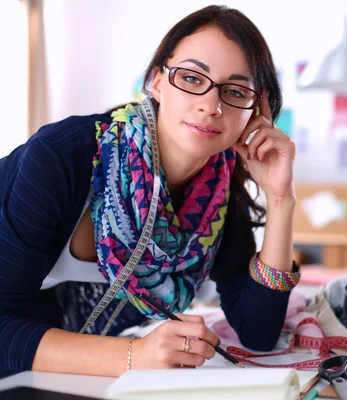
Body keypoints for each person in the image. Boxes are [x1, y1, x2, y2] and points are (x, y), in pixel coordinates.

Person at [0, 5, 299, 377]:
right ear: (156, 81)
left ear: (256, 111)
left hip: (49, 359)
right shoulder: (59, 157)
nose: (211, 105)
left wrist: (281, 199)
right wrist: (134, 355)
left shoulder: (217, 196)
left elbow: (258, 333)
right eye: (192, 78)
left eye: (235, 91)